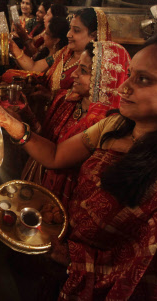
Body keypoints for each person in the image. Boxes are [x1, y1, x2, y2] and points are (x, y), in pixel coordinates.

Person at [0, 22, 157, 300]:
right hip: (65, 259)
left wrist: (76, 261)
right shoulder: (115, 125)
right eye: (130, 74)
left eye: (144, 80)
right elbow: (55, 155)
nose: (123, 88)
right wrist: (9, 123)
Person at [22, 41, 130, 207]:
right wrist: (23, 111)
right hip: (40, 172)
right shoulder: (66, 99)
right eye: (78, 67)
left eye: (84, 71)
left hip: (70, 197)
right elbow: (44, 134)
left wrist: (16, 128)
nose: (74, 74)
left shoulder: (106, 124)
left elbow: (56, 155)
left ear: (104, 79)